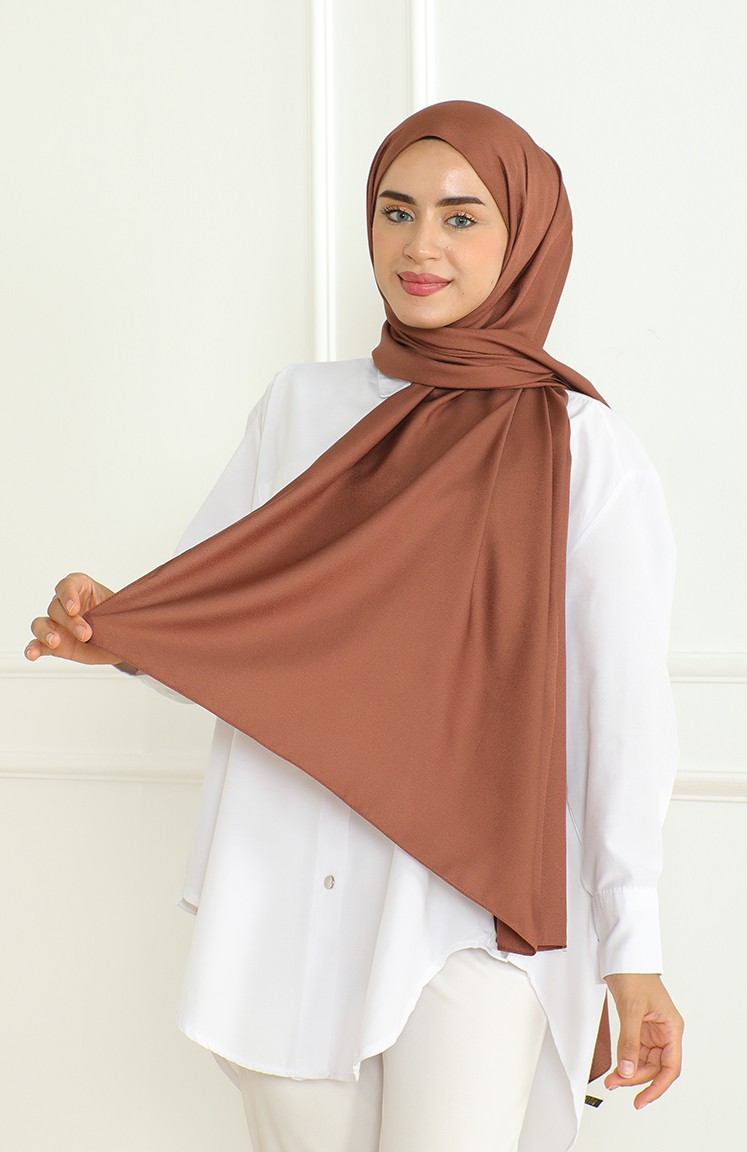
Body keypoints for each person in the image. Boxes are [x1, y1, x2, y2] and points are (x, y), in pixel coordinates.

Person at [25, 101, 683, 1152]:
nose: (419, 246)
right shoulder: (300, 406)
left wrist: (631, 947)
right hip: (290, 877)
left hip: (471, 909)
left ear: (524, 236)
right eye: (396, 211)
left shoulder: (582, 446)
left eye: (461, 217)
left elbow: (622, 710)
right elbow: (221, 605)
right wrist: (113, 631)